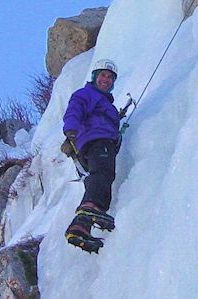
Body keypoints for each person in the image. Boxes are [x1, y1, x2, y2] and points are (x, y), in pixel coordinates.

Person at [60, 58, 120, 253]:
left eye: (110, 77)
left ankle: (80, 227)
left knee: (100, 176)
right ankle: (91, 208)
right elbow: (74, 111)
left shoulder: (102, 102)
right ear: (94, 77)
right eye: (103, 75)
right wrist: (71, 131)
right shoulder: (87, 94)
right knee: (102, 174)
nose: (106, 79)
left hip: (97, 142)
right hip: (97, 141)